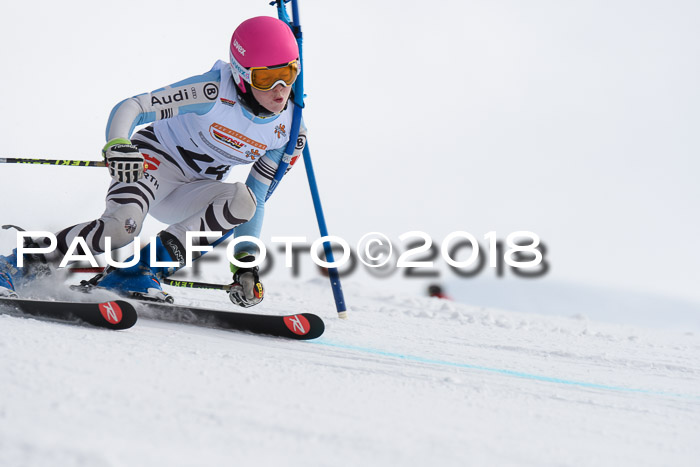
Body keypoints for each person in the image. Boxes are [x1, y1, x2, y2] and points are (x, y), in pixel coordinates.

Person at [0, 16, 305, 308]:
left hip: (195, 189)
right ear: (240, 75)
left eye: (288, 74)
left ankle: (135, 273)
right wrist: (118, 144)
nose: (280, 89)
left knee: (243, 201)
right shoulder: (212, 91)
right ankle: (21, 263)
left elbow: (258, 199)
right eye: (265, 78)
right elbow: (134, 106)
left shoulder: (291, 132)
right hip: (152, 163)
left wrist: (245, 265)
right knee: (121, 230)